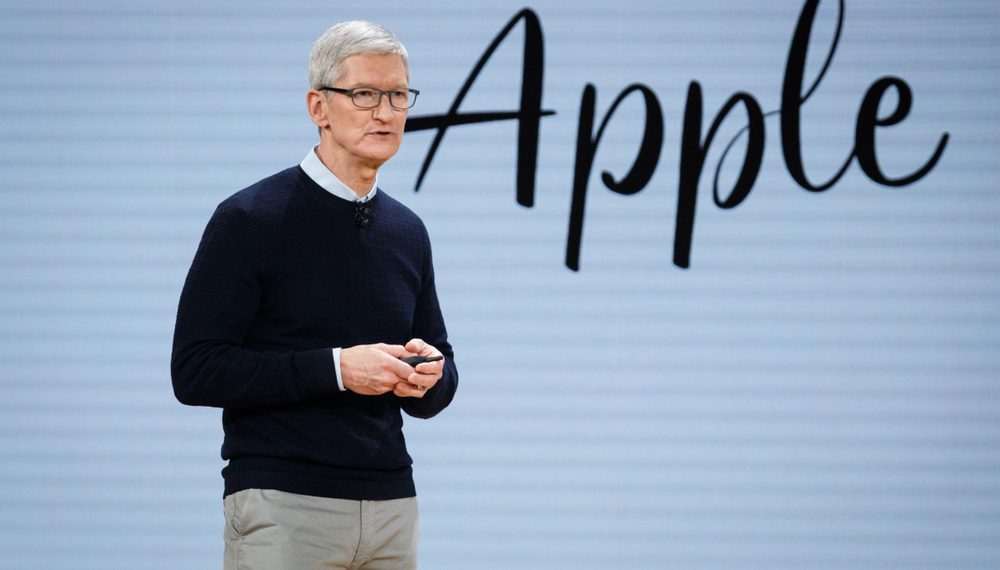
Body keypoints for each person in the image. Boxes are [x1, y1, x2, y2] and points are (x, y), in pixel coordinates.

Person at [170, 20, 457, 569]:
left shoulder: (408, 231)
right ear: (318, 107)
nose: (385, 112)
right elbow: (195, 370)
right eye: (365, 94)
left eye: (398, 95)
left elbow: (440, 374)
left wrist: (430, 376)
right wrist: (338, 369)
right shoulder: (249, 219)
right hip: (284, 501)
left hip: (392, 505)